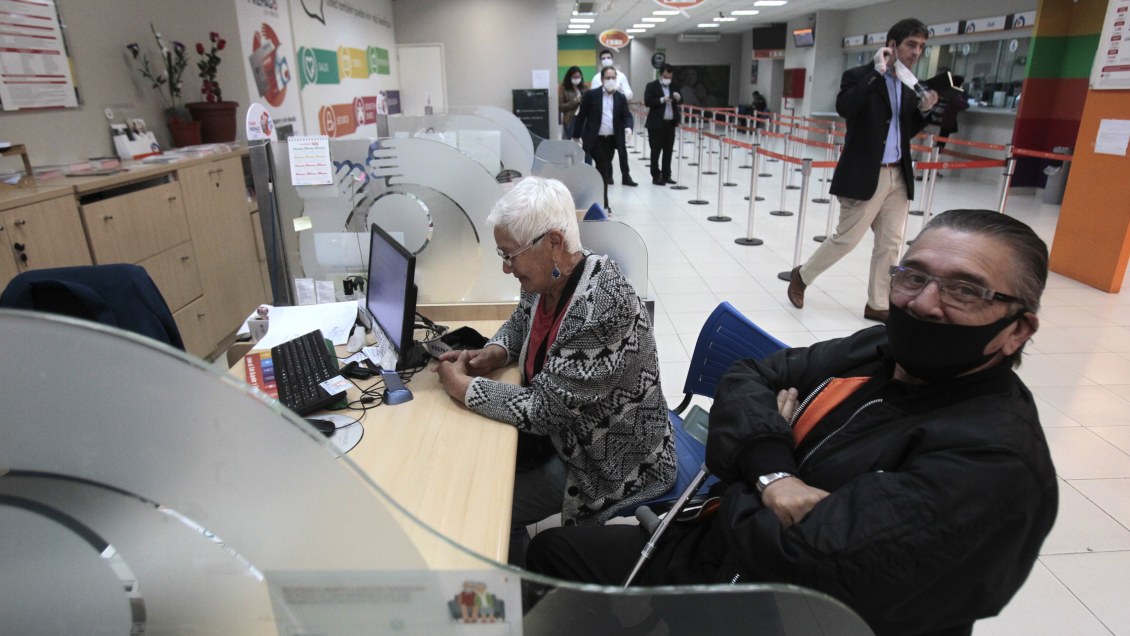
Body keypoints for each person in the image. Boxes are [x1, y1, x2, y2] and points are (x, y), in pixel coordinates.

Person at [528, 208, 1058, 636]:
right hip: (718, 555)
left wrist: (740, 474)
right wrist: (772, 474)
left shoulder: (992, 461)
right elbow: (749, 374)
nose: (924, 303)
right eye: (912, 276)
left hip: (788, 612)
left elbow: (803, 564)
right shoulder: (879, 350)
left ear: (1017, 330)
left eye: (965, 290)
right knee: (554, 553)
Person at [434, 176, 674, 567]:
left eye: (510, 255)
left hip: (605, 458)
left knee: (488, 505)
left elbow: (544, 411)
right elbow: (521, 320)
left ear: (554, 243)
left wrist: (462, 386)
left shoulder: (601, 307)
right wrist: (495, 352)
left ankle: (523, 597)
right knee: (476, 469)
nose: (506, 267)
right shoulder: (549, 276)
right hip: (566, 437)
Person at [787, 18, 939, 323]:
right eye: (911, 44)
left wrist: (925, 110)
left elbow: (903, 130)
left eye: (921, 46)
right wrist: (876, 74)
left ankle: (878, 302)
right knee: (847, 239)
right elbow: (846, 107)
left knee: (891, 243)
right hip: (865, 173)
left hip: (898, 174)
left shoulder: (910, 85)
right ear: (892, 45)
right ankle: (802, 276)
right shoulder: (859, 76)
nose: (917, 52)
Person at [573, 66, 636, 208]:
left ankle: (598, 199)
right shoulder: (591, 95)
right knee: (603, 166)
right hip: (595, 139)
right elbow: (582, 116)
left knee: (604, 168)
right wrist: (576, 136)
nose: (611, 80)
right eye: (608, 78)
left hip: (611, 140)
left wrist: (628, 128)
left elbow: (627, 116)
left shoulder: (620, 97)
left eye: (613, 77)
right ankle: (603, 203)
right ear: (601, 79)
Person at [589, 49, 636, 186]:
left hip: (617, 118)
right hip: (603, 121)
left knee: (622, 151)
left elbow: (629, 94)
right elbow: (592, 98)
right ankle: (607, 176)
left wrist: (619, 91)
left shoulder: (621, 76)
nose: (606, 59)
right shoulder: (596, 78)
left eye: (608, 57)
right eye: (603, 58)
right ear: (600, 61)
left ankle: (626, 176)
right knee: (605, 153)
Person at [643, 63, 682, 186]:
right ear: (661, 74)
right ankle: (656, 176)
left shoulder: (674, 86)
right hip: (656, 124)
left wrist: (678, 97)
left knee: (668, 150)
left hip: (670, 123)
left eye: (670, 77)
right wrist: (662, 99)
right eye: (665, 76)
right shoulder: (652, 86)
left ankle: (666, 175)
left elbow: (682, 100)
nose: (668, 79)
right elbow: (647, 101)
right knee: (655, 151)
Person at [558, 66, 586, 140]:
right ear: (570, 77)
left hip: (584, 118)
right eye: (574, 77)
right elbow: (560, 107)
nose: (577, 79)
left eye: (579, 77)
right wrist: (575, 101)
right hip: (570, 119)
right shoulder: (563, 88)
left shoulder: (584, 87)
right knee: (571, 142)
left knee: (584, 142)